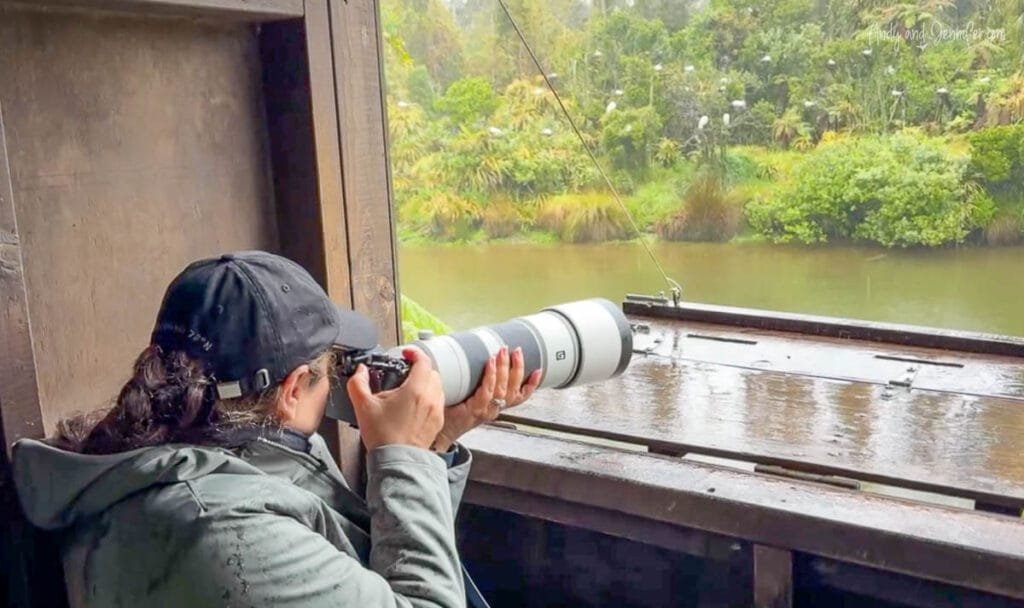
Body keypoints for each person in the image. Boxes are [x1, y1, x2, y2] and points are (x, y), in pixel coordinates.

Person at [12, 250, 541, 607]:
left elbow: (377, 575)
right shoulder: (214, 525)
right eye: (330, 368)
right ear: (292, 390)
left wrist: (434, 444)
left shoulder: (172, 450)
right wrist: (403, 456)